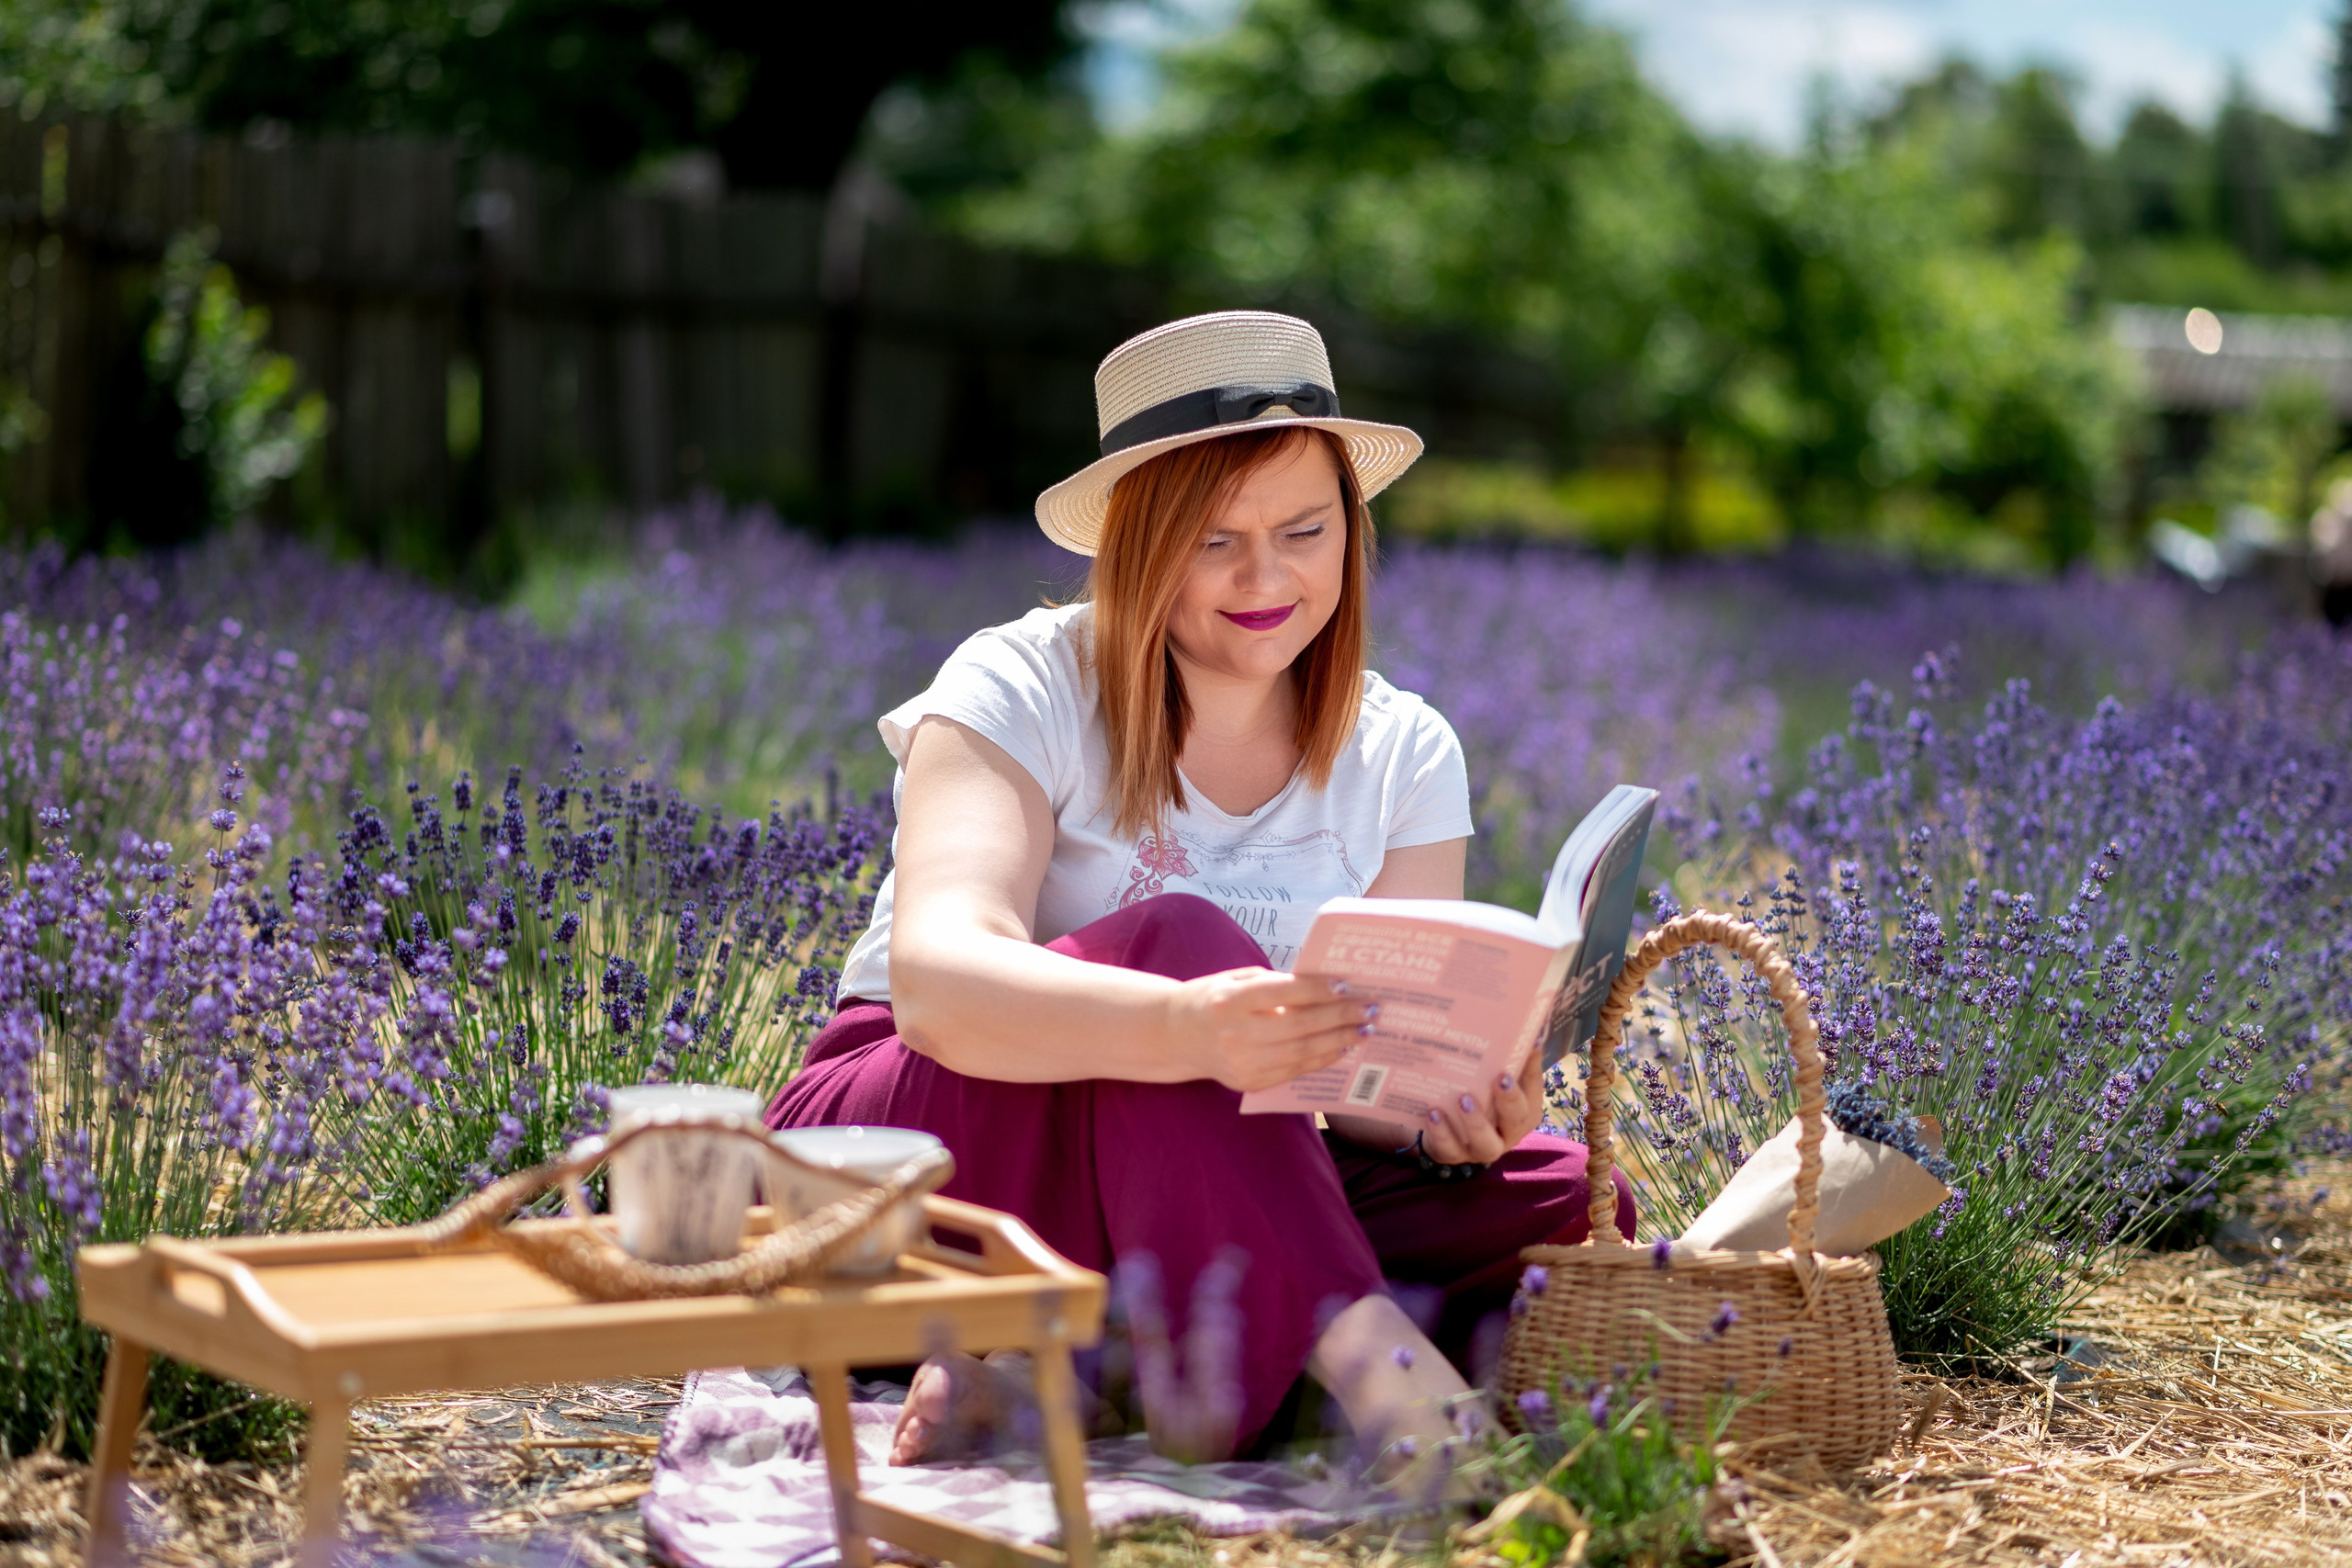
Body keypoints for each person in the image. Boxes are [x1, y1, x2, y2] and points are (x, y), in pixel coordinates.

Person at [765, 310, 1632, 1472]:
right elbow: (936, 983)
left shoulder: (1403, 749)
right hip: (916, 1144)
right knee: (1178, 942)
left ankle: (1086, 1376)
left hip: (1194, 1160)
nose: (1266, 578)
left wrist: (1444, 1112)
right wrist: (1189, 1022)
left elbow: (1360, 1083)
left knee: (1565, 1202)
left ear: (1350, 533)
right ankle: (1387, 1382)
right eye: (1213, 540)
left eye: (1304, 531)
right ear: (1134, 542)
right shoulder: (1015, 682)